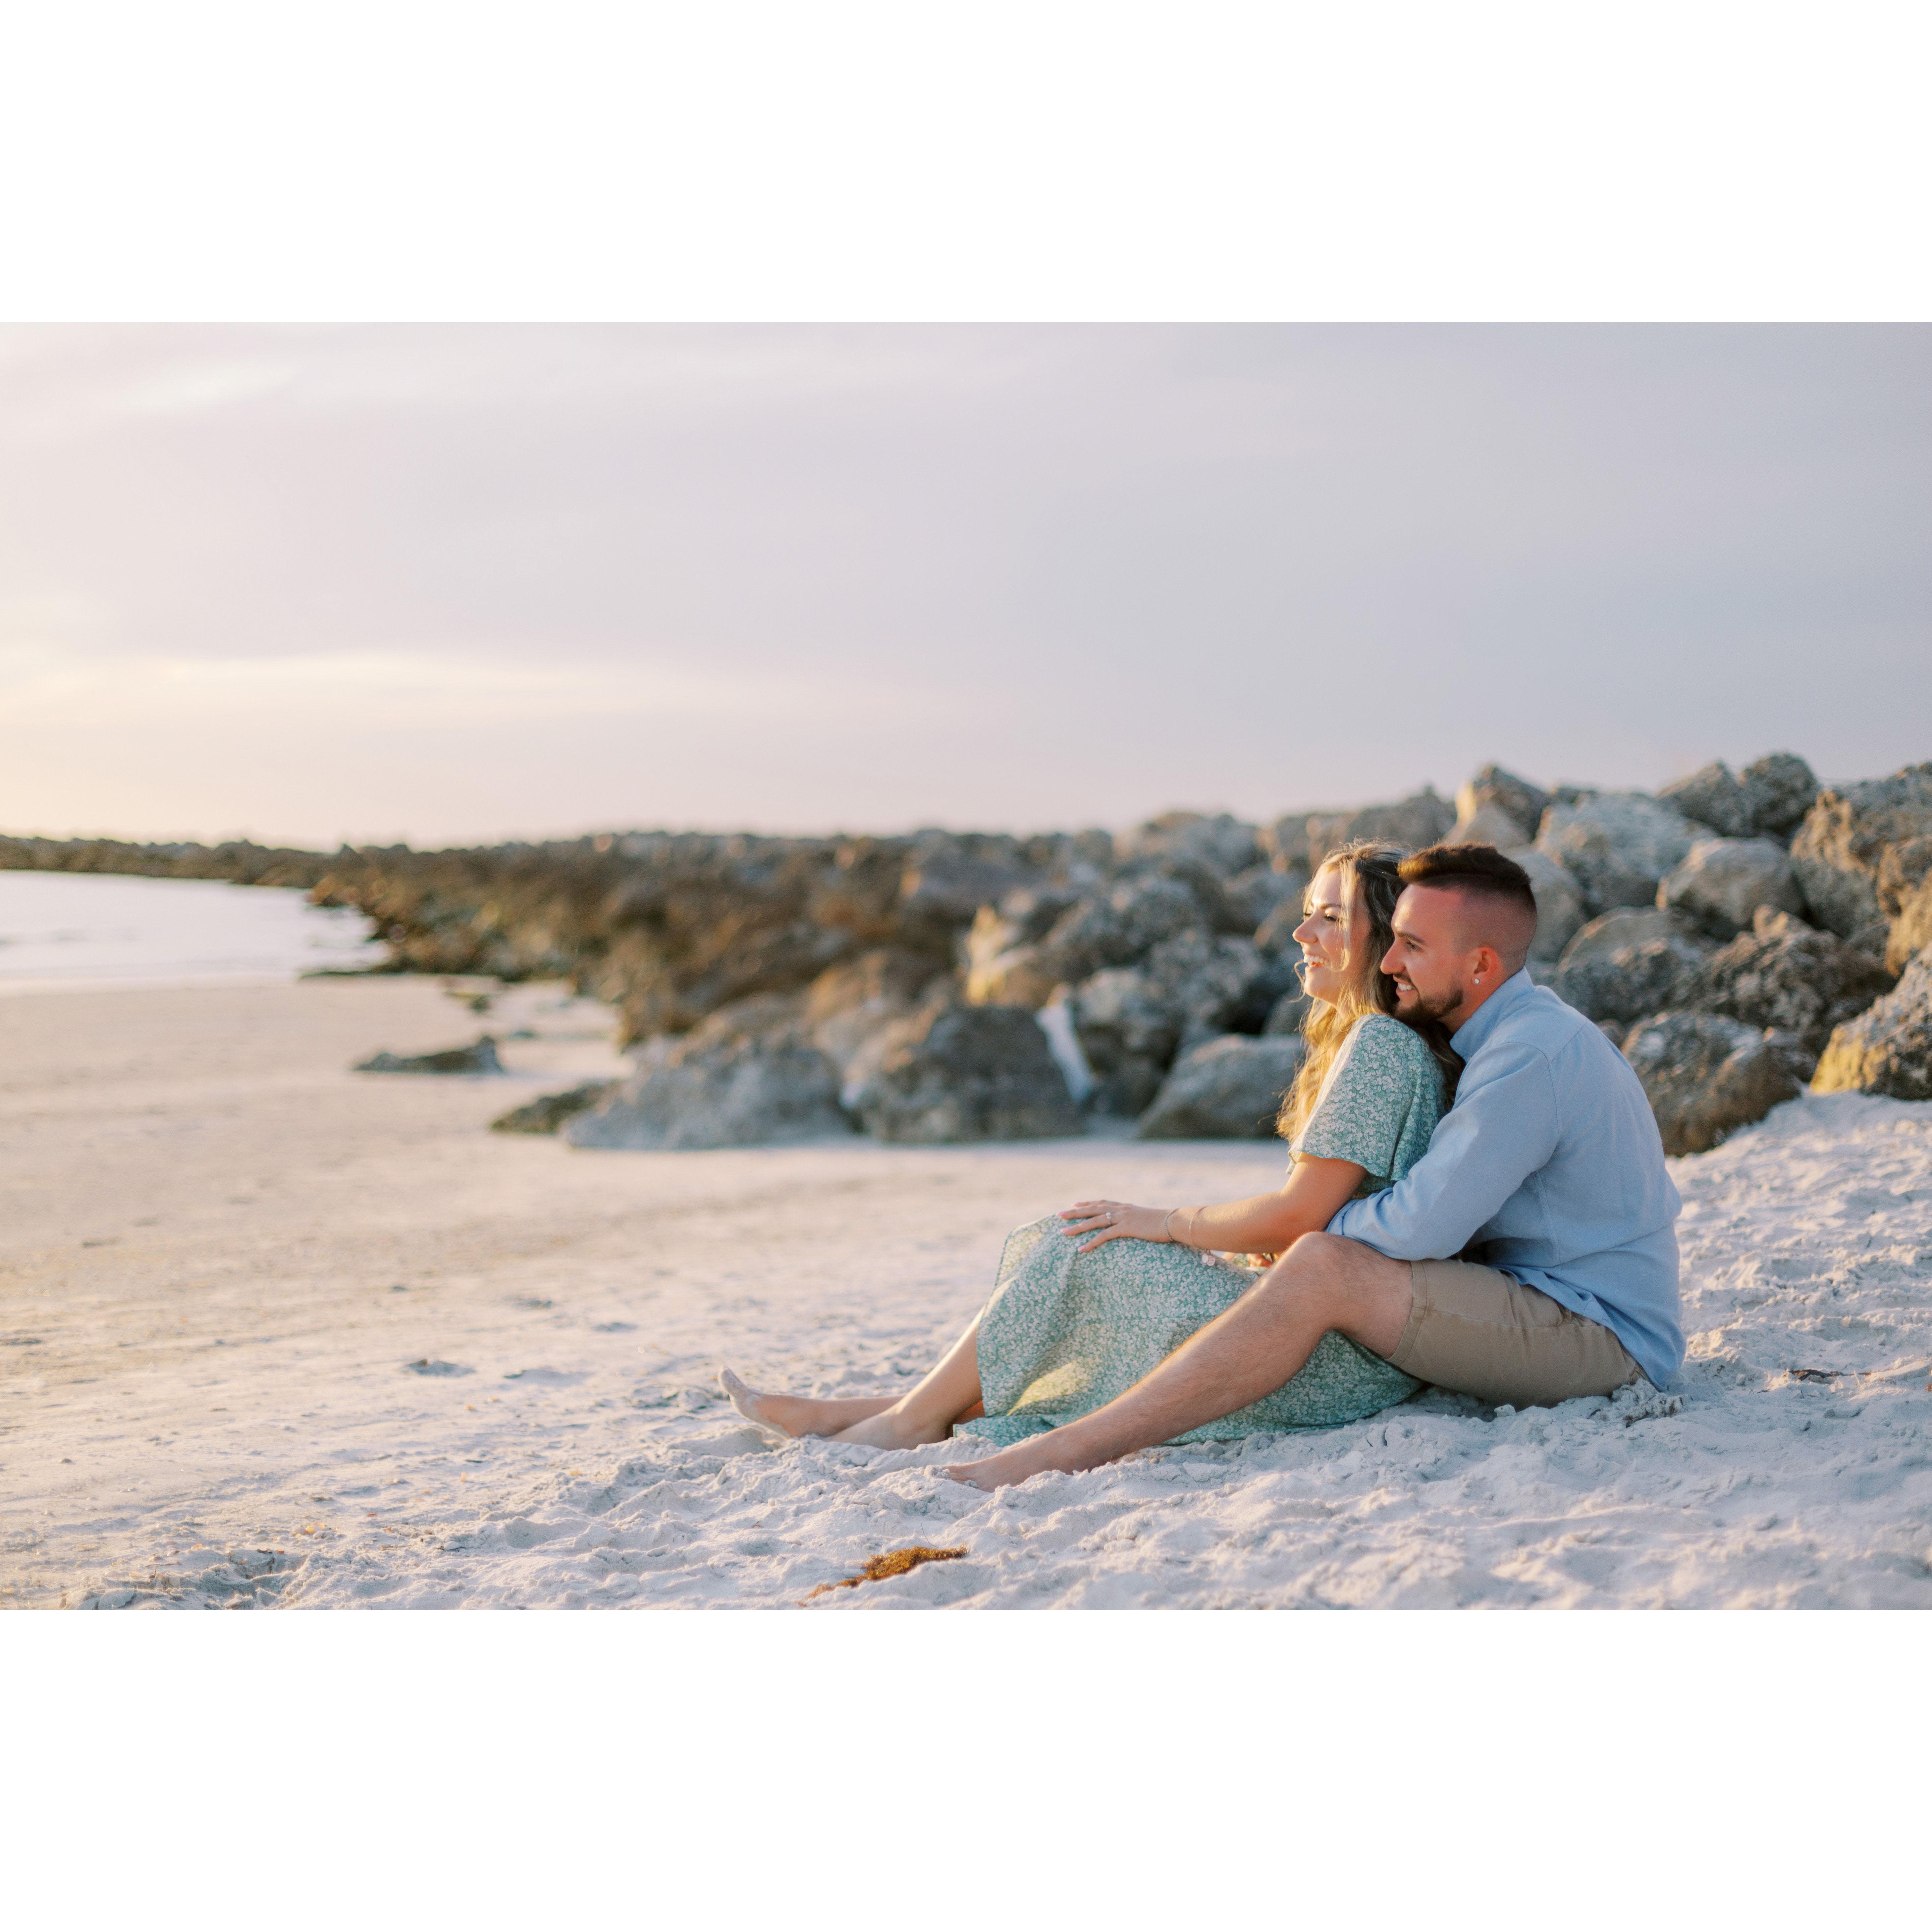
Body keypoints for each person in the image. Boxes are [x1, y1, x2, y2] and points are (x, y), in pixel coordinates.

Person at [933, 843, 1684, 1491]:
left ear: (1482, 963)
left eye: (1412, 947)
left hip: (1600, 1334)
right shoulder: (1508, 1037)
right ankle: (937, 1414)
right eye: (1392, 940)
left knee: (1322, 1264)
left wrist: (1302, 1228)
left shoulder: (1528, 1055)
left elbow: (1423, 1224)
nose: (1389, 963)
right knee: (1307, 1258)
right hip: (1542, 1298)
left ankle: (1072, 1448)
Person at [720, 841, 1461, 1452]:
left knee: (1086, 1242)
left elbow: (1301, 1215)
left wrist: (1165, 1222)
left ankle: (908, 1420)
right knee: (1087, 1253)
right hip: (1330, 1335)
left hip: (1327, 1356)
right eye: (1306, 915)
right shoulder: (1378, 1043)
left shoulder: (1380, 1044)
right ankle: (871, 1412)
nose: (1302, 936)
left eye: (1330, 918)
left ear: (1386, 940)